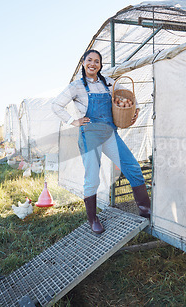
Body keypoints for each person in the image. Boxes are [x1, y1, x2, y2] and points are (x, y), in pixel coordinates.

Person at [52, 49, 151, 234]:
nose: (93, 64)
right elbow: (56, 105)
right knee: (92, 178)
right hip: (90, 135)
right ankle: (93, 219)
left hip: (109, 133)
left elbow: (128, 94)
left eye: (97, 61)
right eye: (89, 60)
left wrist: (135, 109)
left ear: (100, 65)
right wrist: (72, 121)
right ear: (83, 62)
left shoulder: (108, 82)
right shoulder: (76, 86)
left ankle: (146, 211)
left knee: (133, 168)